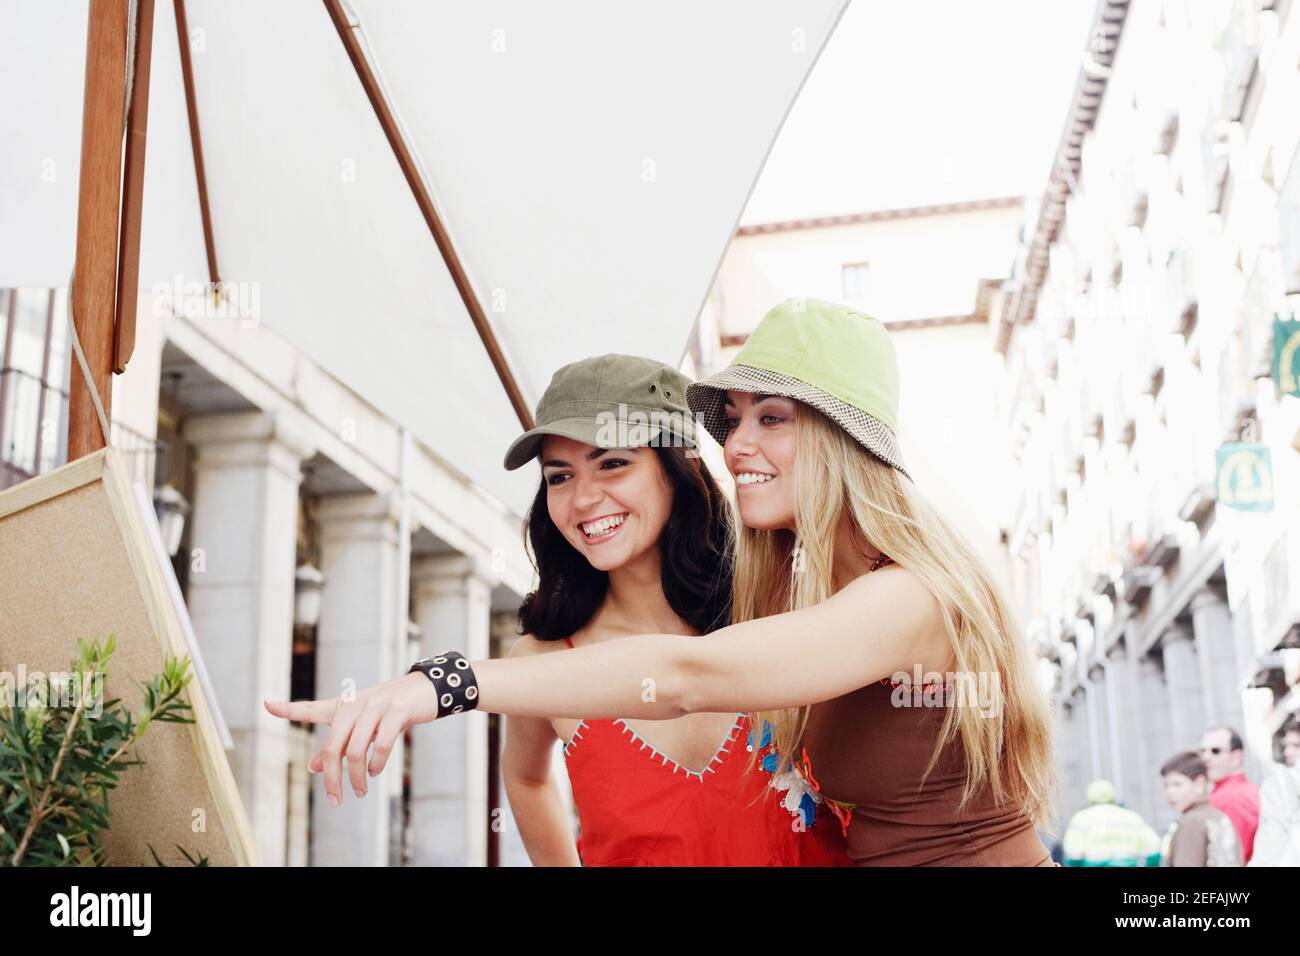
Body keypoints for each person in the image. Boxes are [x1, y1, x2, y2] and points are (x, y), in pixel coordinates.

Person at [266, 298, 1058, 866]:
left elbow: (685, 676)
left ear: (844, 438)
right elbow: (534, 774)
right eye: (735, 418)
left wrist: (442, 682)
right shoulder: (800, 593)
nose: (737, 442)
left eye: (771, 418)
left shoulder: (908, 597)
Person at [496, 353, 847, 866]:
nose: (584, 499)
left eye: (613, 463)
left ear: (678, 466)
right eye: (559, 477)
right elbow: (526, 776)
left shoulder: (782, 605)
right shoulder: (542, 659)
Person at [1159, 751, 1243, 867]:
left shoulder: (1190, 822)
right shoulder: (1221, 817)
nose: (1170, 792)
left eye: (1177, 784)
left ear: (1199, 783)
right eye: (1166, 786)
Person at [1060, 779, 1161, 866]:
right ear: (1113, 798)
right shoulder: (1132, 817)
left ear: (1089, 800)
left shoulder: (1080, 819)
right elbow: (1154, 849)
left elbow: (1073, 856)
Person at [1200, 725, 1260, 862]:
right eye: (1202, 751)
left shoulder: (1232, 798)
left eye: (1215, 751)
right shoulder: (1246, 790)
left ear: (1237, 757)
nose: (1206, 757)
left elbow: (1231, 859)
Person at [1249, 715, 1300, 866]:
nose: (1287, 753)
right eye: (1286, 746)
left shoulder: (1278, 786)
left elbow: (1270, 845)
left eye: (1296, 746)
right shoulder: (1282, 784)